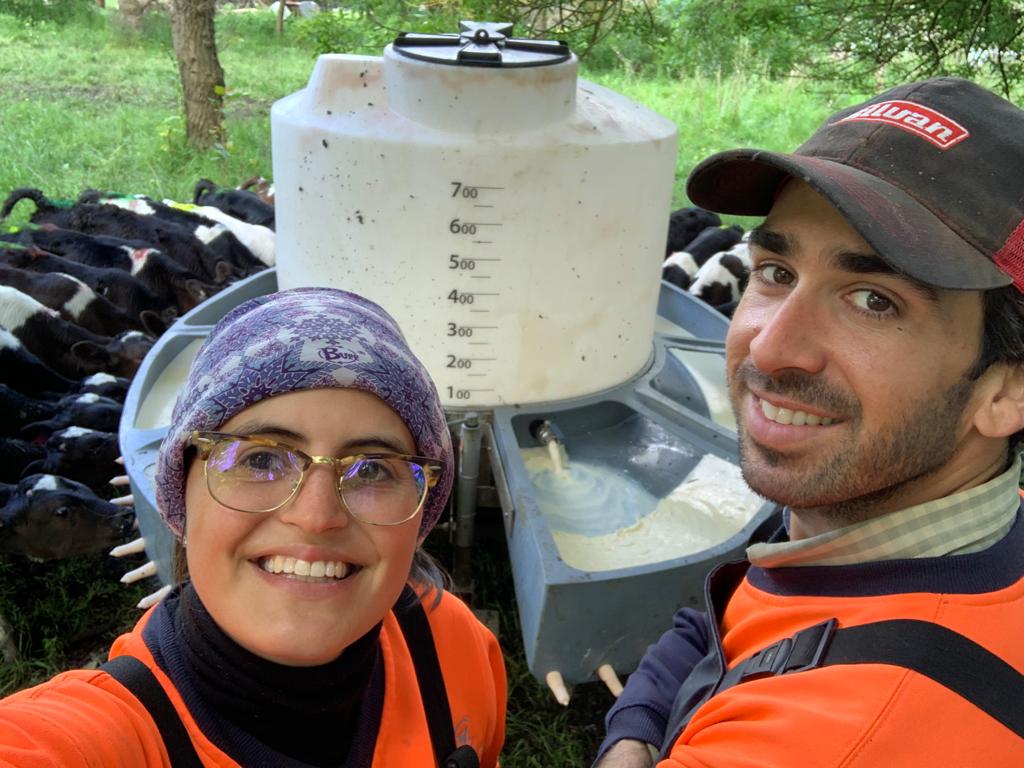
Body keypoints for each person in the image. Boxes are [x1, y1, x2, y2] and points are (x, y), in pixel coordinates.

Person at [595, 76, 1024, 767]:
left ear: (1009, 389)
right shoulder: (883, 514)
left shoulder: (827, 740)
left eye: (872, 300)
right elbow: (728, 616)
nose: (769, 346)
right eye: (776, 270)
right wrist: (638, 729)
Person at [0, 288, 507, 767]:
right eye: (261, 458)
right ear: (182, 489)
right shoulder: (90, 741)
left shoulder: (451, 647)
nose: (316, 516)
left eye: (372, 468)